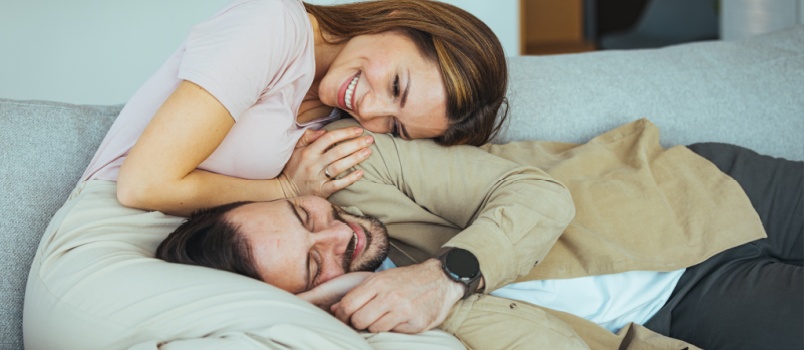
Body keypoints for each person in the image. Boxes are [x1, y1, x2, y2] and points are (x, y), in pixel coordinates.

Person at [156, 118, 803, 350]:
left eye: (305, 216)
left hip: (688, 190)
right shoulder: (373, 331)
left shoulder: (358, 169)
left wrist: (445, 276)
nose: (336, 235)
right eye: (312, 265)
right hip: (686, 306)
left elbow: (531, 192)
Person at [81, 0, 508, 217]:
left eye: (394, 127)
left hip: (200, 247)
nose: (369, 110)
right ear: (399, 17)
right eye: (396, 85)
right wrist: (285, 191)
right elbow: (141, 186)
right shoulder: (272, 25)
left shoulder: (335, 117)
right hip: (118, 224)